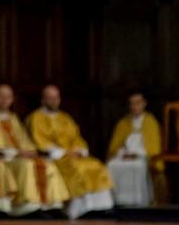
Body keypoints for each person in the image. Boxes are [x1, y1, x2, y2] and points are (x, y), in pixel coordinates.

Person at [0, 83, 68, 216]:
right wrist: (18, 153)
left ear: (12, 99)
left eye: (8, 97)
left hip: (19, 156)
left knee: (46, 164)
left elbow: (24, 140)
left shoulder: (13, 118)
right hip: (6, 158)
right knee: (26, 165)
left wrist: (30, 151)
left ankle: (52, 205)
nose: (5, 100)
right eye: (1, 96)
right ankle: (26, 207)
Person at [26, 84, 114, 220]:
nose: (54, 101)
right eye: (50, 98)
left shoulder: (65, 117)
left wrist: (79, 151)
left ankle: (101, 207)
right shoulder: (36, 118)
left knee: (97, 166)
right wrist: (65, 153)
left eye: (56, 98)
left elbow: (76, 137)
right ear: (43, 99)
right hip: (55, 157)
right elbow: (40, 142)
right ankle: (80, 210)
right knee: (78, 168)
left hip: (73, 155)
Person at [106, 92, 161, 207]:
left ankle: (140, 202)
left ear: (144, 104)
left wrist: (137, 154)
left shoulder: (150, 121)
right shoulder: (123, 123)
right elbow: (115, 146)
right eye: (131, 103)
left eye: (137, 103)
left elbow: (153, 147)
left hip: (143, 156)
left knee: (138, 166)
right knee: (112, 165)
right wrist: (123, 154)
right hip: (124, 156)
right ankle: (117, 201)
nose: (134, 106)